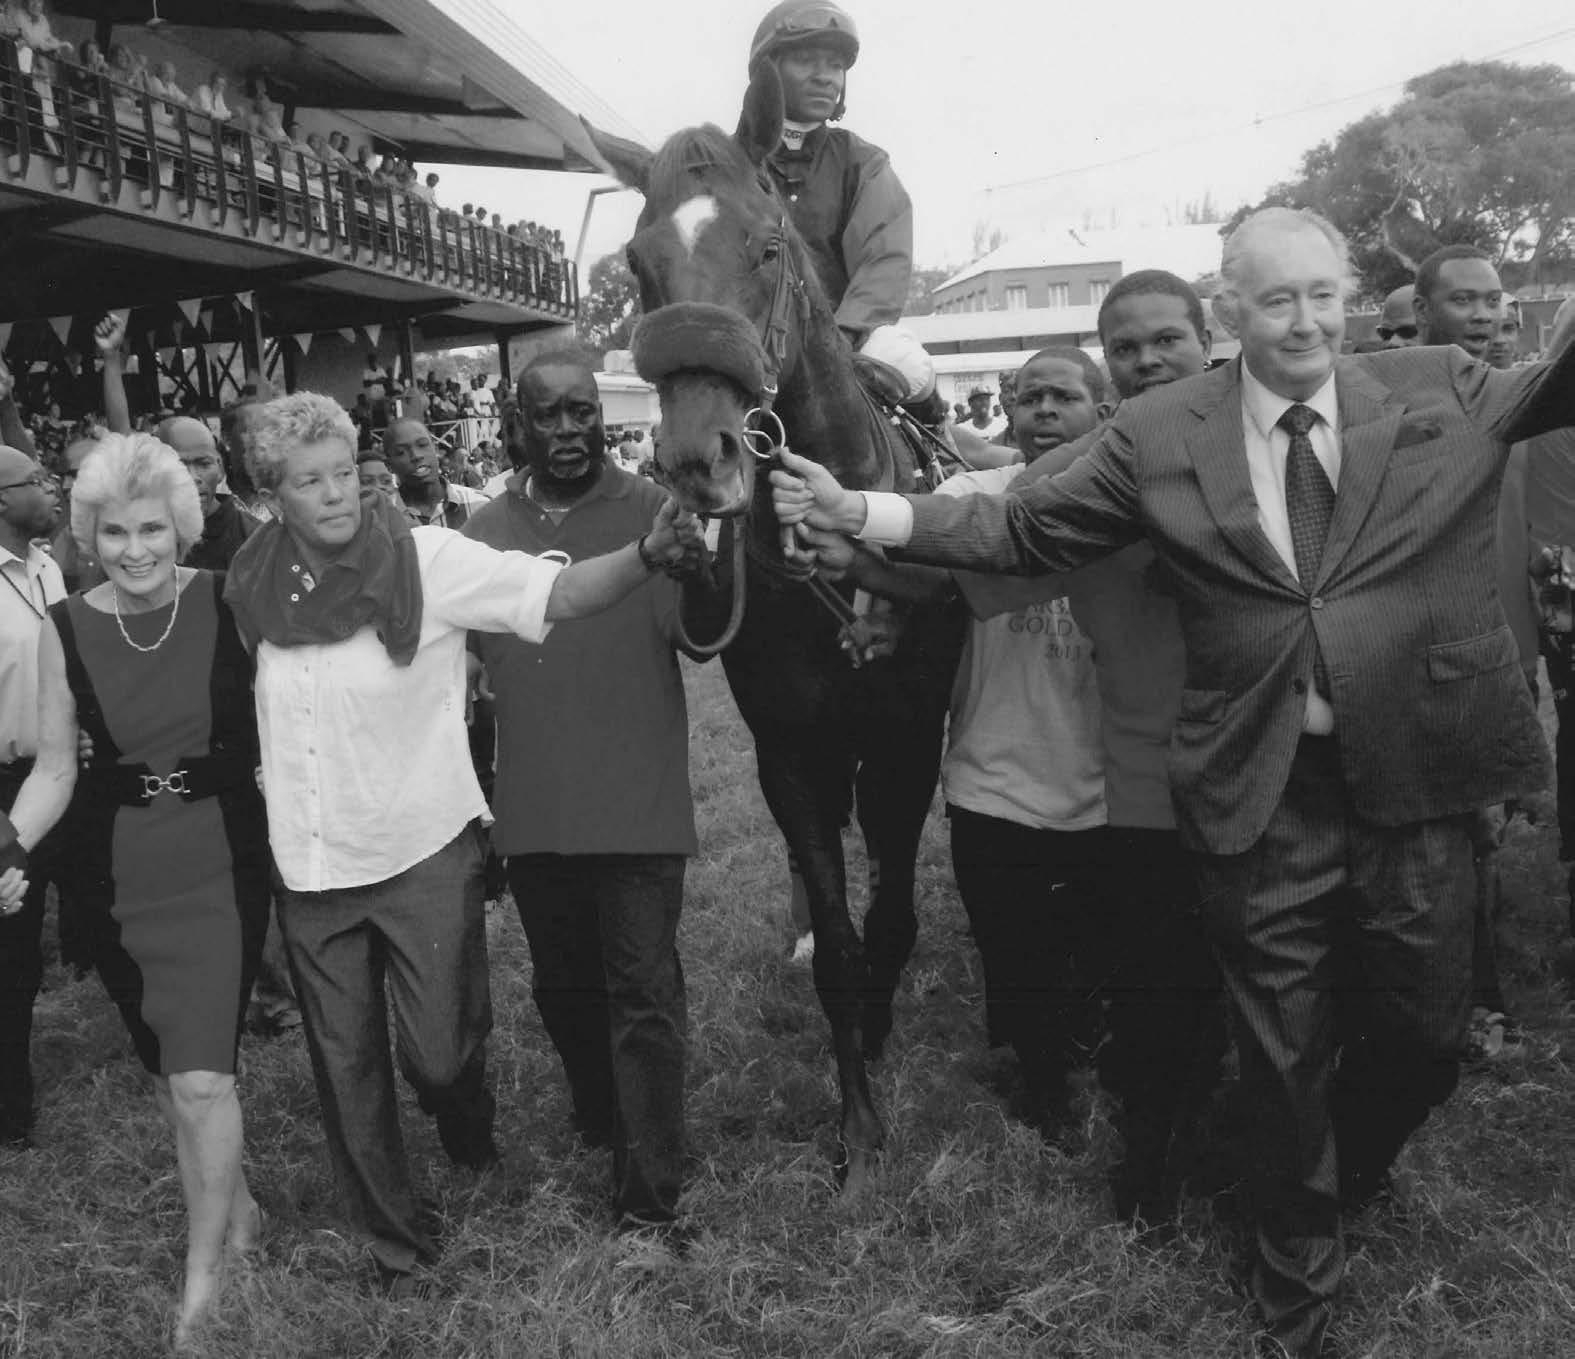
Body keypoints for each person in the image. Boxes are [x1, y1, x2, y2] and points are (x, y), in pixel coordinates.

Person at [772, 206, 1575, 1358]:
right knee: (1280, 1050)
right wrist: (859, 510)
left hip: (1413, 775)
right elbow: (1021, 528)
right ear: (1234, 308)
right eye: (1277, 298)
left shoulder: (1441, 382)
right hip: (1259, 785)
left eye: (1322, 295)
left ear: (1348, 300)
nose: (1304, 321)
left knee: (1425, 1040)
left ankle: (1339, 1170)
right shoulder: (1160, 429)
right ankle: (1296, 1287)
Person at [223, 391, 703, 1291]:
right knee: (346, 1066)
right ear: (269, 497)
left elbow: (558, 590)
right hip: (313, 862)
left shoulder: (427, 560)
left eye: (342, 473)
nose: (334, 493)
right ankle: (395, 1244)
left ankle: (462, 1109)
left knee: (438, 1059)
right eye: (308, 482)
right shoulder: (251, 583)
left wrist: (645, 553)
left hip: (421, 849)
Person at [463, 352, 720, 1240]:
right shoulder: (483, 528)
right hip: (535, 809)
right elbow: (459, 669)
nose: (569, 429)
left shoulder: (652, 508)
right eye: (549, 415)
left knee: (642, 994)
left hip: (638, 805)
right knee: (564, 991)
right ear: (517, 423)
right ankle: (603, 1109)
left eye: (583, 411)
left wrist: (707, 566)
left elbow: (700, 638)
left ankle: (647, 1200)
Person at [44, 433, 270, 1345]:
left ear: (181, 525)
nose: (133, 550)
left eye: (150, 529)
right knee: (174, 1079)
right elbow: (55, 767)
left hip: (220, 857)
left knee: (205, 1076)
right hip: (114, 869)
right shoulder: (64, 626)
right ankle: (243, 1211)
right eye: (113, 533)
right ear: (87, 536)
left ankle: (205, 1279)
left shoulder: (225, 599)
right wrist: (10, 843)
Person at [748, 0, 910, 348]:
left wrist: (842, 338)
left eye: (835, 65)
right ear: (768, 71)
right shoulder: (731, 160)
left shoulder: (864, 163)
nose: (824, 77)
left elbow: (883, 263)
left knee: (904, 360)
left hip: (841, 341)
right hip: (746, 340)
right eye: (806, 61)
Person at [0, 442, 69, 1151]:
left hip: (70, 771)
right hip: (9, 786)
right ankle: (10, 1109)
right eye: (37, 480)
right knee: (13, 948)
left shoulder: (49, 566)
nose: (52, 487)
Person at [381, 417, 489, 528]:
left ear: (435, 449)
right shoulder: (381, 519)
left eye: (422, 445)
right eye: (401, 452)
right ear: (389, 465)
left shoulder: (480, 505)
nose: (416, 456)